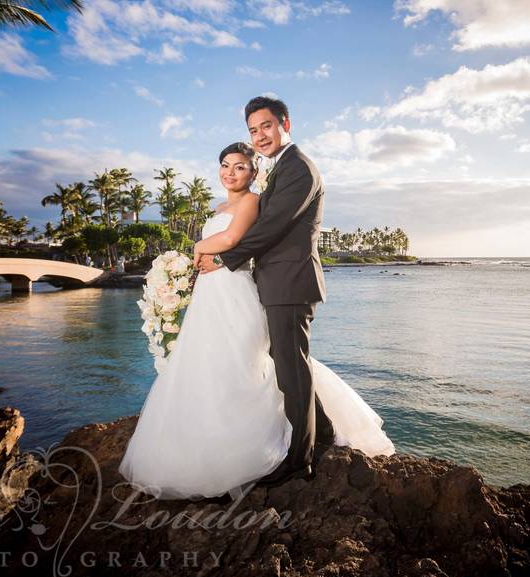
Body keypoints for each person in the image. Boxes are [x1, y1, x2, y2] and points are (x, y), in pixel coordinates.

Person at [117, 140, 394, 501]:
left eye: (240, 167)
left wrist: (198, 249)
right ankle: (221, 434)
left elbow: (232, 238)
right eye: (225, 165)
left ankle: (297, 441)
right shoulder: (218, 205)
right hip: (210, 294)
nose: (231, 173)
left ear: (254, 171)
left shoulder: (252, 202)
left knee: (252, 363)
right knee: (209, 363)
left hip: (235, 290)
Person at [196, 96, 335, 487]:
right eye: (253, 130)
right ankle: (321, 435)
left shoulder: (299, 168)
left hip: (291, 283)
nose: (260, 135)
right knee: (287, 363)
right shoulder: (280, 169)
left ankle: (299, 460)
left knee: (292, 369)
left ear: (285, 123)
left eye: (267, 126)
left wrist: (225, 260)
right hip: (277, 283)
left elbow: (272, 225)